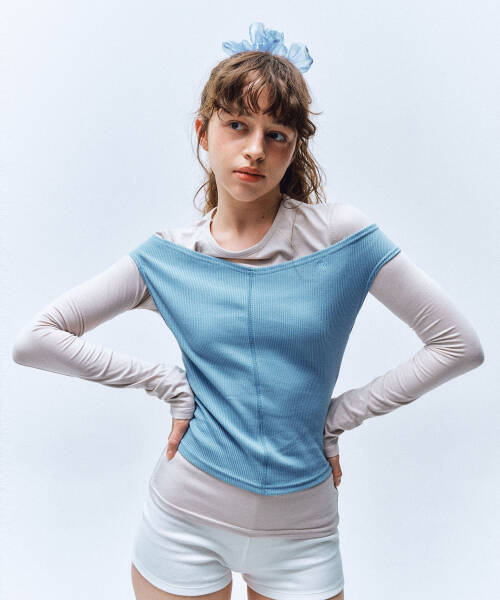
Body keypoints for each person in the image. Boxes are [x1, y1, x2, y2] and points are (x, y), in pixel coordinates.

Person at [11, 22, 485, 600]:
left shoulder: (343, 239)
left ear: (294, 148)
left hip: (303, 534)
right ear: (203, 133)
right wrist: (167, 384)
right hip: (182, 521)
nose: (256, 148)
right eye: (237, 124)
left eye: (276, 134)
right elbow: (36, 338)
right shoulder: (166, 258)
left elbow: (459, 345)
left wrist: (338, 417)